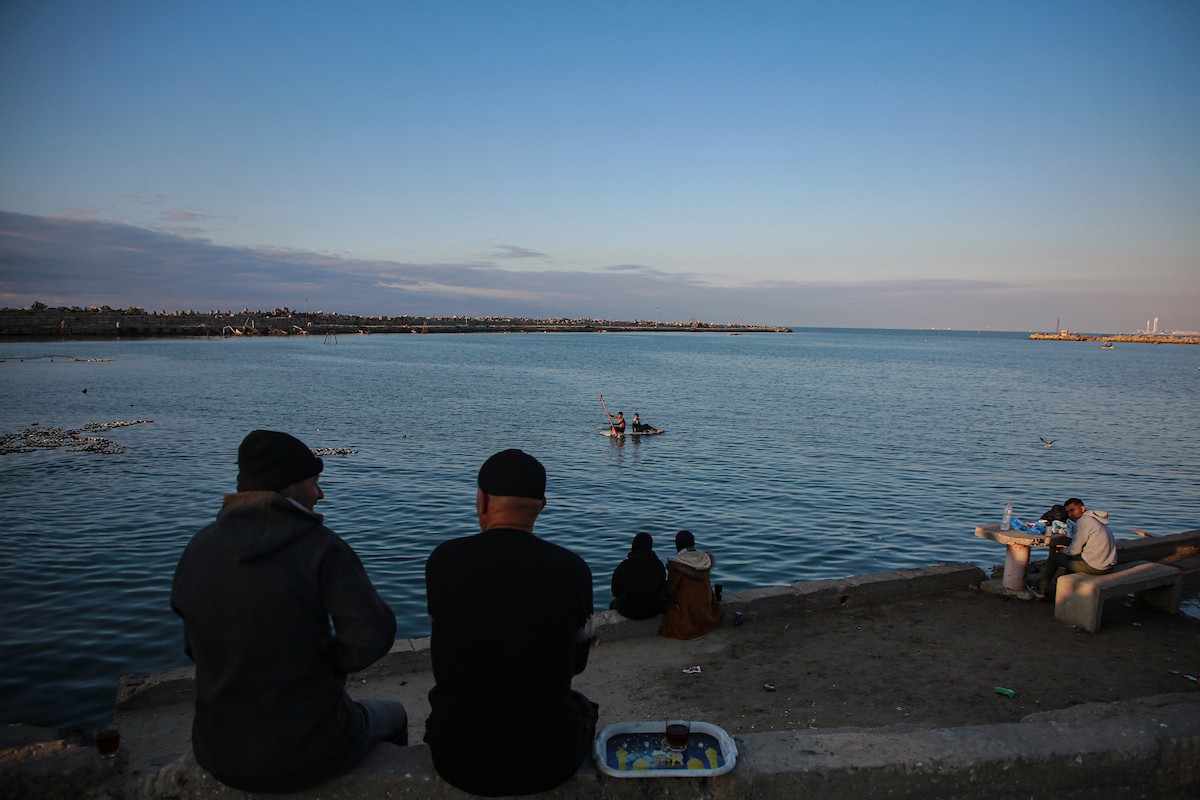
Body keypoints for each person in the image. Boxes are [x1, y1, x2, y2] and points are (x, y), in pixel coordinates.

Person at [171, 430, 407, 793]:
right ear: (288, 488)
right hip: (311, 748)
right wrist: (324, 665)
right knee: (394, 714)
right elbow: (371, 636)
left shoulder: (198, 547)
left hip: (218, 752)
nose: (320, 494)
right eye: (314, 482)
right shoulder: (320, 547)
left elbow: (194, 646)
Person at [424, 449, 598, 796]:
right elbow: (576, 664)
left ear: (482, 500)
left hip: (456, 757)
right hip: (549, 761)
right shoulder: (573, 570)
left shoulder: (443, 561)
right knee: (582, 707)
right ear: (542, 505)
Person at [1030, 497, 1118, 599]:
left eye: (1073, 510)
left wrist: (1064, 551)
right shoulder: (1096, 520)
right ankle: (1060, 583)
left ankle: (1039, 588)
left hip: (1097, 567)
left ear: (1082, 509)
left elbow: (1074, 550)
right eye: (1068, 512)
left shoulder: (1083, 522)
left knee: (1055, 558)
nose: (1070, 515)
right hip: (1108, 565)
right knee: (1070, 557)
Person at [659, 530, 724, 639]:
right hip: (706, 609)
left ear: (677, 545)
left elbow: (670, 590)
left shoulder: (677, 565)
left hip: (690, 613)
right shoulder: (705, 559)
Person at [609, 532, 667, 619]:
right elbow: (662, 588)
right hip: (653, 610)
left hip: (628, 610)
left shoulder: (624, 566)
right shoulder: (658, 565)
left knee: (613, 603)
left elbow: (615, 591)